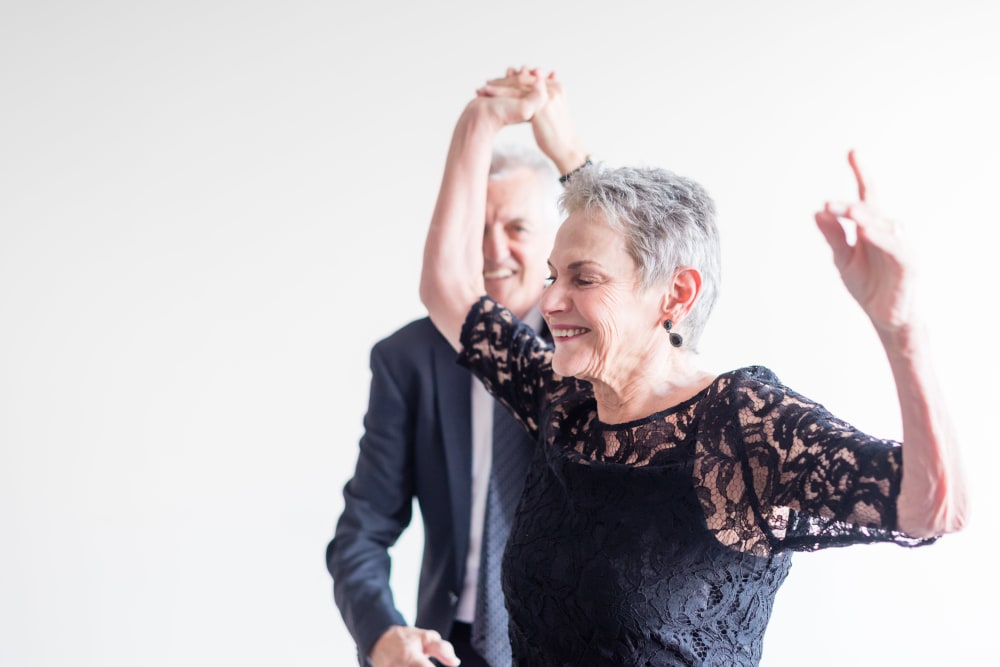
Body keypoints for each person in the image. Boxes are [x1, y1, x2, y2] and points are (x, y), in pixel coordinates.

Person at [418, 68, 968, 666]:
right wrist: (481, 120)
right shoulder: (564, 403)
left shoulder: (741, 427)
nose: (548, 300)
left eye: (583, 278)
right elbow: (449, 289)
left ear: (675, 296)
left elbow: (932, 507)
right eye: (553, 275)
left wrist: (901, 327)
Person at [326, 70, 589, 667]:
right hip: (454, 645)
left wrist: (570, 150)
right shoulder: (406, 359)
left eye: (518, 228)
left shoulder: (595, 349)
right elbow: (361, 532)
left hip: (575, 645)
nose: (494, 250)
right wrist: (381, 634)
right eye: (479, 229)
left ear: (556, 241)